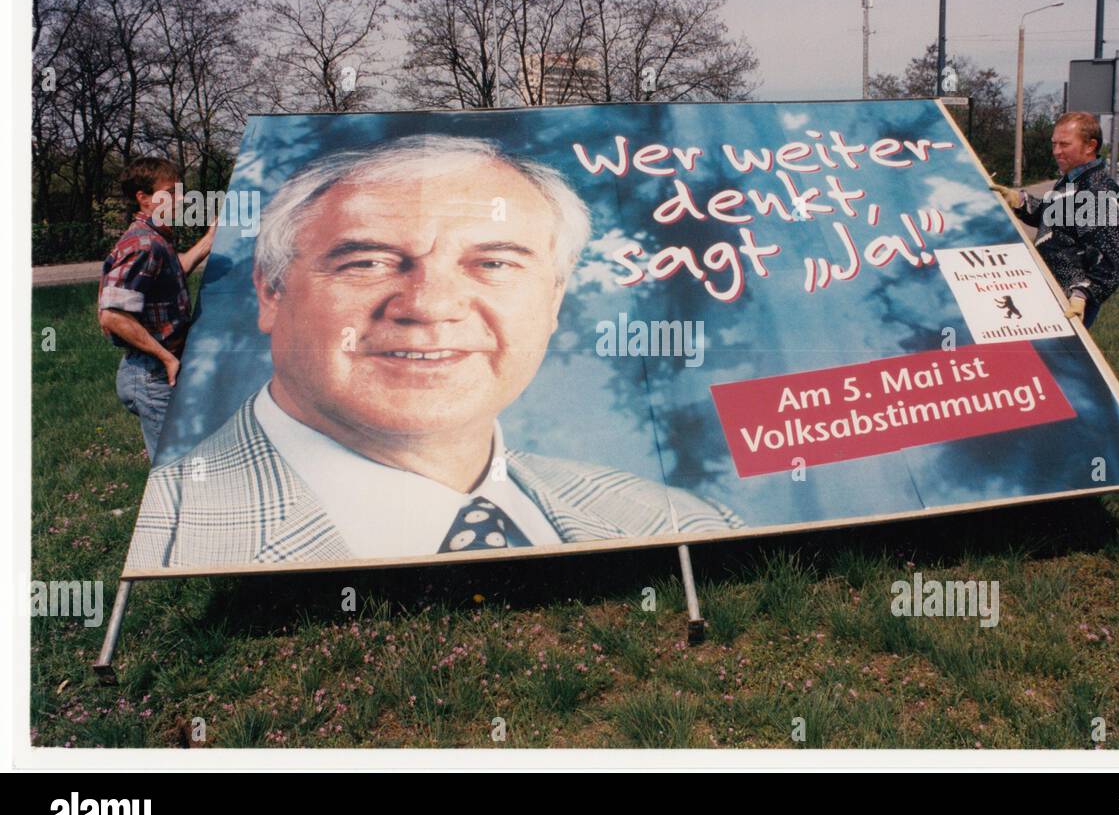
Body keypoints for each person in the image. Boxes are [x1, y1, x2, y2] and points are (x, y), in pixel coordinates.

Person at [125, 134, 743, 570]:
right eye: (366, 261)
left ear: (554, 300)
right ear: (270, 290)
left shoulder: (676, 520)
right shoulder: (173, 534)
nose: (430, 305)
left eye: (495, 262)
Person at [99, 158, 216, 461]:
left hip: (158, 370)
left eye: (179, 192)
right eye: (170, 193)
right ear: (144, 198)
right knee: (172, 468)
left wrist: (208, 242)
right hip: (153, 373)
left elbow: (171, 275)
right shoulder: (144, 244)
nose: (180, 200)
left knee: (182, 463)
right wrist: (167, 358)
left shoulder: (156, 239)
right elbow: (112, 315)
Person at [990, 111, 1119, 328]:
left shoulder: (1097, 190)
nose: (1056, 151)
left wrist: (1084, 293)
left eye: (1064, 145)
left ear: (1090, 146)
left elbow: (1115, 261)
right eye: (1054, 144)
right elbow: (1056, 219)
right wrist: (1019, 200)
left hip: (1071, 302)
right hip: (1053, 292)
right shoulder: (1073, 179)